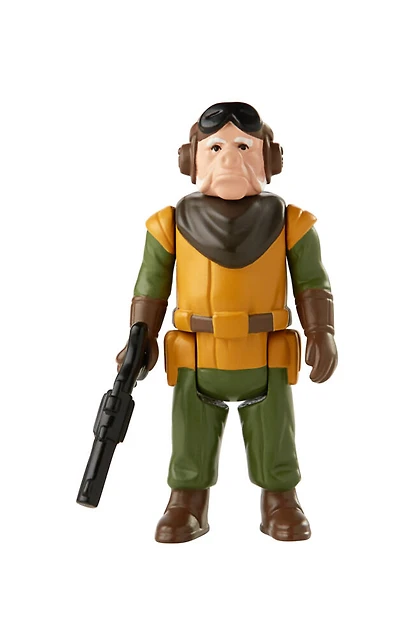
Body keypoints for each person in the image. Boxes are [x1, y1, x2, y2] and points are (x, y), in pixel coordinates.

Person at [117, 102, 337, 542]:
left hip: (265, 350)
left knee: (275, 432)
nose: (230, 159)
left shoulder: (292, 223)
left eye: (243, 147)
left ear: (270, 159)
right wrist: (142, 337)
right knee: (189, 433)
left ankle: (281, 500)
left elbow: (312, 283)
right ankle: (187, 501)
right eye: (215, 147)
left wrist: (321, 331)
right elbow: (150, 287)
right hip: (197, 351)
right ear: (191, 159)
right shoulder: (168, 224)